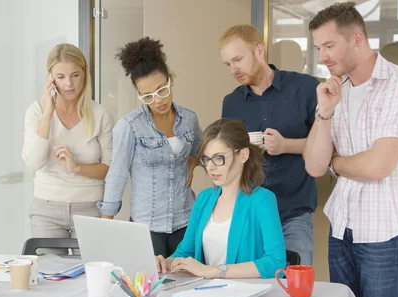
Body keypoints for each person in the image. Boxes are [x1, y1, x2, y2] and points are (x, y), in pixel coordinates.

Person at [303, 3, 398, 297]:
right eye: (319, 48)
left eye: (329, 46)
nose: (322, 57)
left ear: (357, 39)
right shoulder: (335, 90)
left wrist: (337, 163)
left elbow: (377, 166)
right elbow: (314, 165)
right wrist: (326, 111)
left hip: (387, 230)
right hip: (342, 225)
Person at [219, 25, 319, 266]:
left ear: (259, 51)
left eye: (238, 60)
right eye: (228, 64)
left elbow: (327, 145)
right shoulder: (231, 103)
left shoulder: (305, 89)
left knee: (296, 290)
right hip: (249, 213)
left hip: (293, 212)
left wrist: (285, 145)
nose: (234, 69)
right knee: (250, 291)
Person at [98, 37, 202, 258]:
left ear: (171, 80)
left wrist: (192, 163)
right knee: (149, 288)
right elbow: (116, 176)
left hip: (185, 221)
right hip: (146, 226)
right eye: (147, 96)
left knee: (186, 285)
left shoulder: (189, 118)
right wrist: (106, 228)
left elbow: (198, 147)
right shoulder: (129, 126)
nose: (157, 100)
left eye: (161, 90)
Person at [155, 119, 286, 279]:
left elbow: (275, 262)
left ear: (243, 155)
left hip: (244, 296)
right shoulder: (204, 198)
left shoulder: (262, 200)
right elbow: (185, 253)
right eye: (206, 159)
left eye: (219, 158)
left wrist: (213, 271)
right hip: (206, 294)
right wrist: (164, 263)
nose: (210, 167)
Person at [22, 43, 114, 244]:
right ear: (50, 78)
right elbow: (34, 161)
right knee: (49, 273)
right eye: (60, 77)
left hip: (90, 209)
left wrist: (77, 167)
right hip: (46, 210)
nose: (69, 84)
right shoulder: (37, 112)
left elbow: (109, 168)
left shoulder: (100, 114)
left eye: (75, 75)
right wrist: (48, 113)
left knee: (91, 272)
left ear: (84, 73)